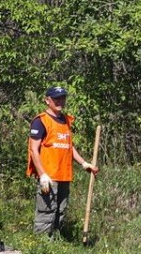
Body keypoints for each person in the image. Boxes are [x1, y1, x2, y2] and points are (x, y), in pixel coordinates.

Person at [27, 86, 96, 236]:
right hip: (49, 176)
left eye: (62, 98)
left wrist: (84, 163)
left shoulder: (65, 120)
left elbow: (69, 146)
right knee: (46, 210)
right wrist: (42, 174)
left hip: (64, 174)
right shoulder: (41, 121)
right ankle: (41, 243)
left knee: (60, 210)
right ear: (47, 100)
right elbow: (33, 150)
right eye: (56, 98)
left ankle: (56, 240)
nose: (60, 101)